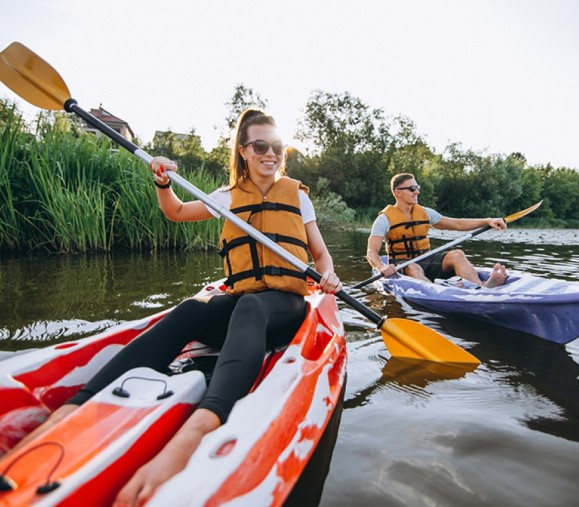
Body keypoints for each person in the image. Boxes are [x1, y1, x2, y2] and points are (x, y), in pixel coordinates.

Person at [11, 110, 343, 506]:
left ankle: (197, 430)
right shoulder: (225, 197)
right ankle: (73, 408)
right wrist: (161, 182)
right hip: (242, 302)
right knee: (190, 309)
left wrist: (330, 277)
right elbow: (176, 212)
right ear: (244, 151)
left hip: (283, 307)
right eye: (260, 146)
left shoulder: (298, 196)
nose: (269, 154)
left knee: (252, 306)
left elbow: (320, 255)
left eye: (275, 147)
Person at [366, 173, 508, 287]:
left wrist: (487, 221)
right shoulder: (384, 219)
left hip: (427, 259)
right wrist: (381, 266)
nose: (417, 192)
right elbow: (371, 252)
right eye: (411, 189)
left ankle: (481, 288)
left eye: (417, 187)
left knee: (457, 254)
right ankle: (441, 291)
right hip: (403, 265)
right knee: (413, 267)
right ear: (398, 192)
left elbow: (457, 224)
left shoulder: (425, 212)